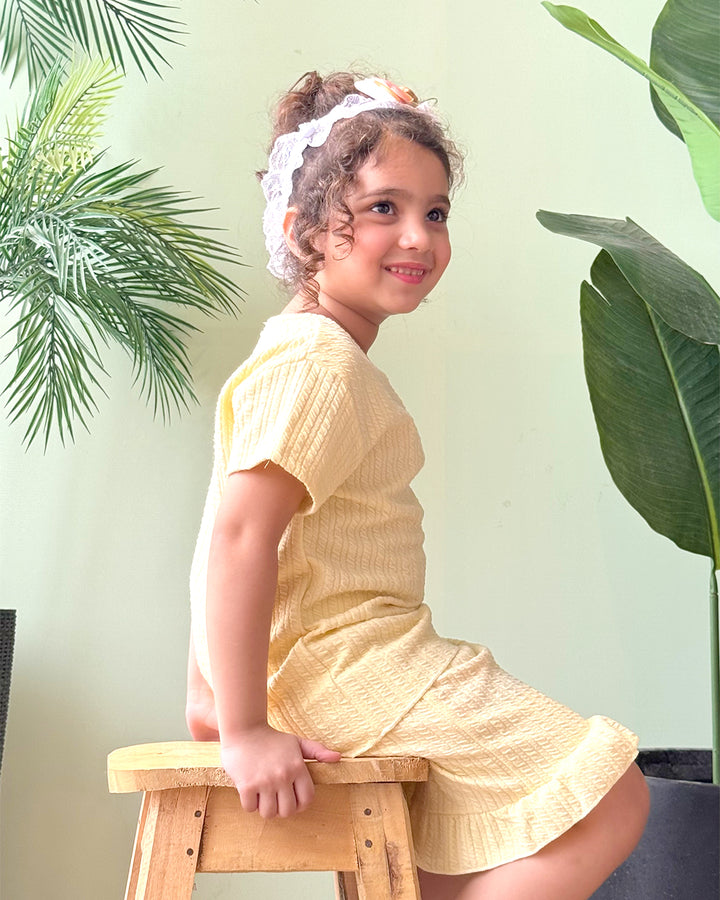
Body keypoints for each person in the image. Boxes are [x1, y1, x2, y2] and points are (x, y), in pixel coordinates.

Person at [186, 71, 649, 900]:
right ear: (304, 233)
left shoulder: (300, 351)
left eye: (435, 213)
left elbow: (222, 525)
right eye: (382, 209)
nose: (418, 237)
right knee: (611, 794)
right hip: (350, 665)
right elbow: (240, 537)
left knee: (437, 857)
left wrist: (209, 690)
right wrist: (245, 727)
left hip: (343, 661)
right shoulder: (319, 367)